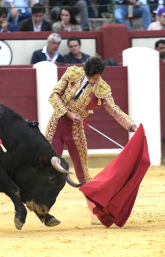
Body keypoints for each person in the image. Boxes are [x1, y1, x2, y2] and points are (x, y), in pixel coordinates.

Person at [45, 56, 138, 224]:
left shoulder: (101, 88)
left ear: (100, 74)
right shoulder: (73, 73)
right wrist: (68, 113)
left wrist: (131, 126)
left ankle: (95, 213)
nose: (92, 81)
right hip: (56, 125)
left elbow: (114, 109)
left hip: (75, 130)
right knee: (49, 169)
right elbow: (53, 95)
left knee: (83, 173)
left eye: (95, 78)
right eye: (90, 78)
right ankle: (44, 211)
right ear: (85, 72)